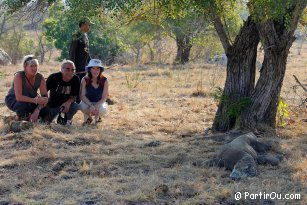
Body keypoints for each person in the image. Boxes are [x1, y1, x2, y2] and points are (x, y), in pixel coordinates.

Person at [5, 55, 48, 122]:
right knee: (22, 107)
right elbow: (19, 97)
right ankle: (17, 119)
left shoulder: (40, 77)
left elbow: (45, 98)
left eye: (36, 66)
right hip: (14, 99)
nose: (34, 68)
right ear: (25, 67)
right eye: (31, 66)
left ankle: (29, 118)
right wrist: (36, 101)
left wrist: (37, 110)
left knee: (46, 110)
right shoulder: (19, 76)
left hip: (31, 100)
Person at [43, 60, 80, 125]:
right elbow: (44, 91)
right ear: (61, 69)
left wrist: (68, 102)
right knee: (45, 123)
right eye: (68, 69)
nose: (70, 72)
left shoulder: (76, 79)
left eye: (73, 70)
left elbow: (74, 96)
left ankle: (67, 120)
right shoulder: (53, 77)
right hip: (53, 105)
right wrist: (45, 102)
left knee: (75, 106)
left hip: (66, 106)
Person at [79, 59, 109, 125]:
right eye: (93, 68)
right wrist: (91, 105)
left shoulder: (104, 80)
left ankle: (97, 119)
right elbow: (82, 96)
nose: (95, 71)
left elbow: (104, 97)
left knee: (102, 109)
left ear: (100, 70)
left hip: (99, 102)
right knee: (82, 106)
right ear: (90, 69)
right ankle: (88, 118)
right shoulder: (84, 79)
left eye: (98, 68)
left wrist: (96, 105)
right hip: (87, 102)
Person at [69, 17, 94, 88]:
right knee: (76, 86)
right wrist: (72, 68)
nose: (89, 27)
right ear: (83, 25)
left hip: (84, 67)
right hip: (77, 68)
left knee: (83, 86)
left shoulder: (85, 36)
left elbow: (86, 52)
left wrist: (92, 63)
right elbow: (72, 52)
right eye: (88, 25)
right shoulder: (76, 35)